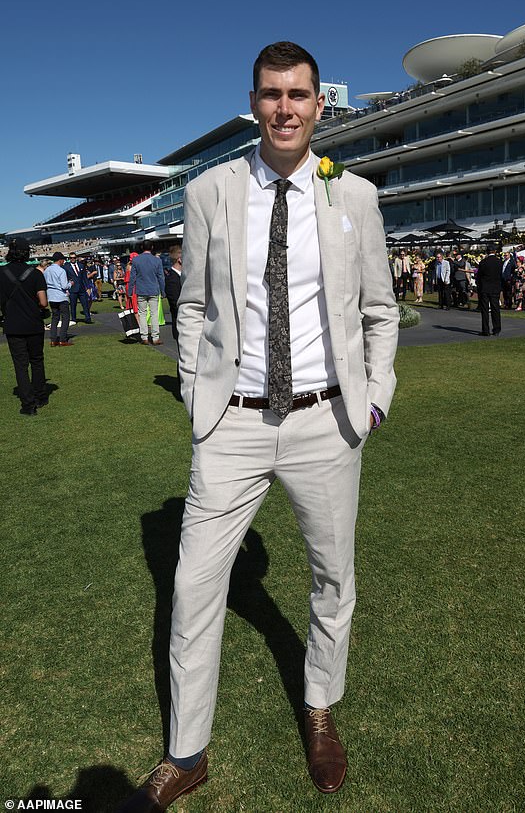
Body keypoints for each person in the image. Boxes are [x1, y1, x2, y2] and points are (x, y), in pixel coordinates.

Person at [120, 41, 399, 812]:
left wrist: (372, 400)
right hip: (232, 425)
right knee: (191, 586)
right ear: (255, 100)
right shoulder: (212, 190)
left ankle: (318, 705)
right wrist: (198, 402)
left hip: (326, 423)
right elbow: (194, 307)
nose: (285, 108)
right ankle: (187, 751)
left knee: (332, 577)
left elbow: (380, 312)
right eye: (272, 94)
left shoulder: (357, 198)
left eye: (299, 94)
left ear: (318, 104)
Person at [0, 238, 49, 414]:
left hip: (13, 324)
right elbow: (43, 302)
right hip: (33, 323)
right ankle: (41, 396)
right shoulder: (35, 273)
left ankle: (28, 405)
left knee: (20, 365)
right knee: (36, 360)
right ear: (26, 252)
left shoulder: (2, 273)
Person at [127, 245, 165, 344]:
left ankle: (144, 337)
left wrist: (130, 291)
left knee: (142, 314)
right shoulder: (157, 260)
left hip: (141, 290)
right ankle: (155, 337)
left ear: (142, 247)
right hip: (153, 289)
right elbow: (161, 277)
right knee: (154, 314)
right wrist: (163, 291)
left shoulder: (136, 260)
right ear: (152, 247)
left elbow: (132, 277)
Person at [44, 251, 73, 346]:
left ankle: (53, 339)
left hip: (51, 296)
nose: (64, 262)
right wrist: (70, 284)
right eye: (63, 260)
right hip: (60, 296)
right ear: (60, 260)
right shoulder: (61, 270)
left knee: (55, 318)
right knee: (65, 318)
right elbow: (64, 286)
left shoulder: (47, 270)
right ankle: (62, 339)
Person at [476, 245, 502, 336]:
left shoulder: (483, 262)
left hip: (485, 288)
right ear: (494, 251)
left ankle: (485, 330)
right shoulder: (499, 262)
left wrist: (479, 286)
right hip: (495, 287)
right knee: (495, 309)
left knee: (485, 310)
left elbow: (479, 276)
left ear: (487, 252)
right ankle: (497, 329)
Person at [64, 251, 92, 323]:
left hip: (81, 288)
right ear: (69, 258)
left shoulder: (81, 265)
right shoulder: (66, 267)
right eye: (71, 258)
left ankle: (88, 318)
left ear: (76, 258)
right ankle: (73, 319)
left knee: (85, 304)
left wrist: (88, 287)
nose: (73, 259)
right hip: (72, 289)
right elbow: (65, 278)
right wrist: (66, 288)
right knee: (73, 305)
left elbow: (84, 277)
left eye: (74, 257)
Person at [164, 245, 182, 344]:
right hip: (181, 326)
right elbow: (176, 304)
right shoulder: (172, 279)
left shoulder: (182, 276)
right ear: (180, 260)